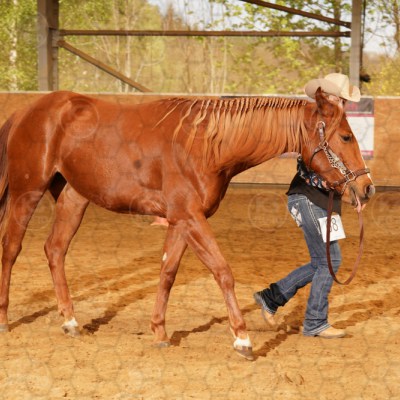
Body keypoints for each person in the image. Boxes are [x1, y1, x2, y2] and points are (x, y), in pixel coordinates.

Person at [253, 73, 361, 339]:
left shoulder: (329, 127)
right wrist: (346, 192)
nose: (344, 104)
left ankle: (272, 297)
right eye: (342, 99)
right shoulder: (316, 127)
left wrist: (352, 193)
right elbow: (315, 173)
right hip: (310, 198)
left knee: (322, 262)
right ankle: (314, 321)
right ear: (331, 98)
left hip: (318, 201)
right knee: (330, 261)